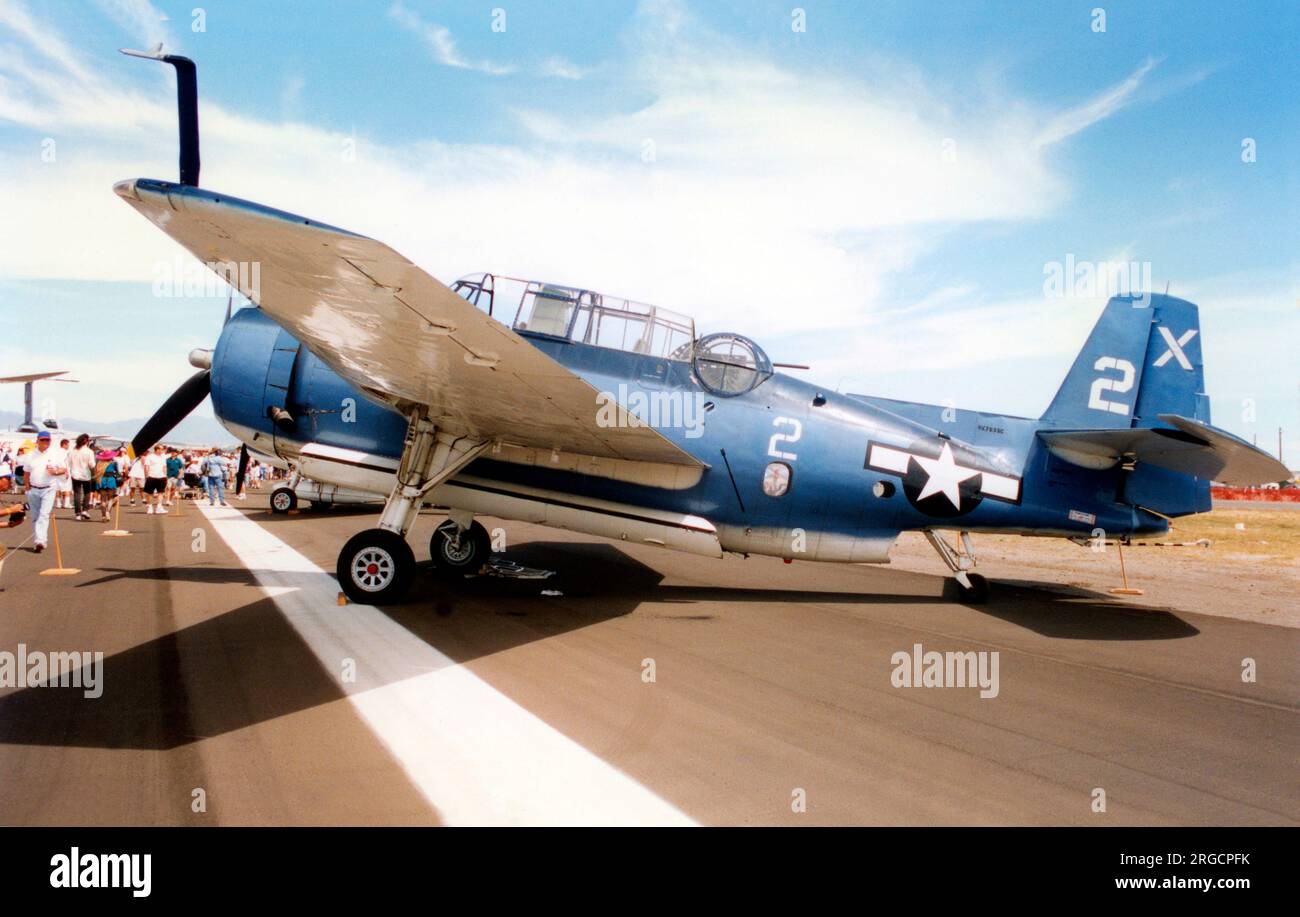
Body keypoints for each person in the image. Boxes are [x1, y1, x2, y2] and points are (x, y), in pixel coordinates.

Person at [18, 430, 67, 553]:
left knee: (44, 514)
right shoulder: (30, 455)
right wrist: (27, 485)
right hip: (34, 488)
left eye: (47, 440)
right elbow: (26, 472)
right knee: (35, 516)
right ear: (37, 441)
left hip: (49, 488)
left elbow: (63, 469)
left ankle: (40, 541)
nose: (45, 442)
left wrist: (54, 472)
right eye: (43, 440)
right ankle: (39, 539)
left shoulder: (54, 454)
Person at [68, 433, 97, 521]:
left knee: (77, 494)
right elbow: (92, 464)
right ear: (87, 441)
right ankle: (85, 510)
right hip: (86, 474)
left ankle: (78, 513)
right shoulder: (89, 452)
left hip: (75, 474)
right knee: (87, 492)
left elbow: (69, 463)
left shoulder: (72, 451)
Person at [95, 448, 120, 523]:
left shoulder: (99, 463)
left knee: (103, 499)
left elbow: (96, 472)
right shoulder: (114, 463)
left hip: (101, 480)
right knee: (110, 498)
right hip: (111, 481)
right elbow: (117, 472)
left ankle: (103, 516)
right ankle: (108, 512)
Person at [142, 443, 169, 515]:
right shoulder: (150, 456)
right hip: (151, 476)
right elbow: (146, 466)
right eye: (160, 449)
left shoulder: (163, 457)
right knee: (150, 493)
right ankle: (150, 507)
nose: (161, 451)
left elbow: (164, 467)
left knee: (161, 492)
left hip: (161, 477)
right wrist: (146, 476)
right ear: (156, 449)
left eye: (162, 449)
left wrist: (165, 475)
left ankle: (159, 508)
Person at [54, 438, 74, 510]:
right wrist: (66, 471)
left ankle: (58, 503)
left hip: (57, 471)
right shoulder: (66, 452)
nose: (68, 446)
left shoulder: (56, 452)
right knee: (67, 487)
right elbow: (65, 462)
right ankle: (66, 503)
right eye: (68, 445)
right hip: (64, 470)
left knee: (58, 487)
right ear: (64, 444)